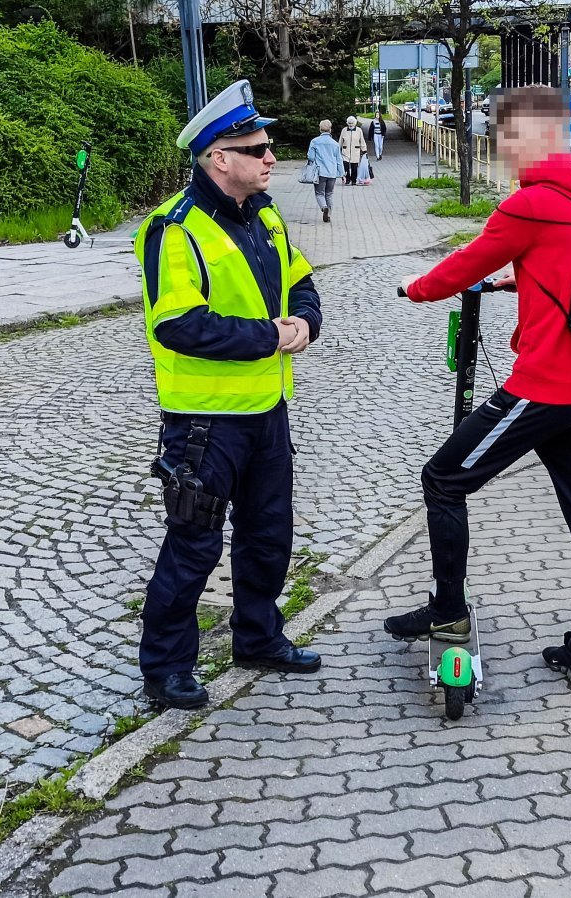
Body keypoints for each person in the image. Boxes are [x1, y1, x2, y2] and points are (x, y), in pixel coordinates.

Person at [383, 85, 571, 691]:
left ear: (531, 138)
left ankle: (447, 611)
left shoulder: (532, 203)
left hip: (545, 389)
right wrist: (518, 288)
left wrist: (414, 288)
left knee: (443, 479)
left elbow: (465, 264)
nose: (498, 148)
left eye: (502, 137)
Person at [133, 79, 324, 710]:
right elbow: (177, 323)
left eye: (269, 146)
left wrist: (305, 321)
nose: (272, 158)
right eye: (258, 148)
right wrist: (270, 335)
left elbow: (302, 281)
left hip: (267, 412)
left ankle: (259, 638)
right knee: (193, 545)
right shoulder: (175, 229)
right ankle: (165, 670)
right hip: (203, 424)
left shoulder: (266, 216)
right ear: (220, 158)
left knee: (269, 534)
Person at [308, 119, 342, 223]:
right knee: (329, 193)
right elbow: (339, 159)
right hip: (332, 172)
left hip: (320, 172)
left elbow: (311, 157)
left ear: (320, 129)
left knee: (319, 193)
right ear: (330, 130)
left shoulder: (314, 142)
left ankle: (323, 207)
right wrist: (341, 173)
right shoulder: (335, 144)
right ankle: (329, 214)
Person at [339, 115, 368, 185]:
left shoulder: (359, 130)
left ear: (355, 123)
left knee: (354, 166)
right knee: (345, 166)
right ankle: (347, 179)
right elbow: (340, 141)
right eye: (349, 123)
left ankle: (354, 180)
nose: (351, 125)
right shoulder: (344, 130)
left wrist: (364, 150)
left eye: (352, 123)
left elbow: (362, 140)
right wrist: (338, 148)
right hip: (345, 151)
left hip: (355, 151)